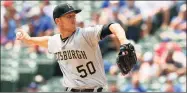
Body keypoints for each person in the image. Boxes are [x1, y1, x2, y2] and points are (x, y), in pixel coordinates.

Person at [16, 3, 130, 92]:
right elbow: (43, 41)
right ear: (58, 21)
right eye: (69, 16)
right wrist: (28, 39)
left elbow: (114, 26)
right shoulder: (55, 41)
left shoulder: (86, 34)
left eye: (74, 16)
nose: (73, 19)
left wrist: (124, 42)